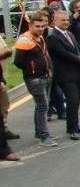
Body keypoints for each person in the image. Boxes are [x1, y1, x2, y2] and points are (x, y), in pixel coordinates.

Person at [14, 12, 57, 147]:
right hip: (35, 78)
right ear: (30, 25)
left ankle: (39, 133)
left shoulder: (39, 37)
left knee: (41, 106)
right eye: (37, 26)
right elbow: (18, 61)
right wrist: (32, 69)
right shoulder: (24, 40)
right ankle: (44, 136)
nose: (40, 28)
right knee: (43, 106)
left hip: (45, 76)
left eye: (42, 26)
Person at [46, 10, 80, 140]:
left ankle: (74, 125)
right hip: (65, 75)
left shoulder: (70, 33)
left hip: (77, 73)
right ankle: (72, 129)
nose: (66, 22)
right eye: (62, 20)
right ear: (54, 21)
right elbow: (63, 53)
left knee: (75, 101)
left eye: (67, 20)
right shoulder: (53, 36)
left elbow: (78, 48)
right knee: (72, 100)